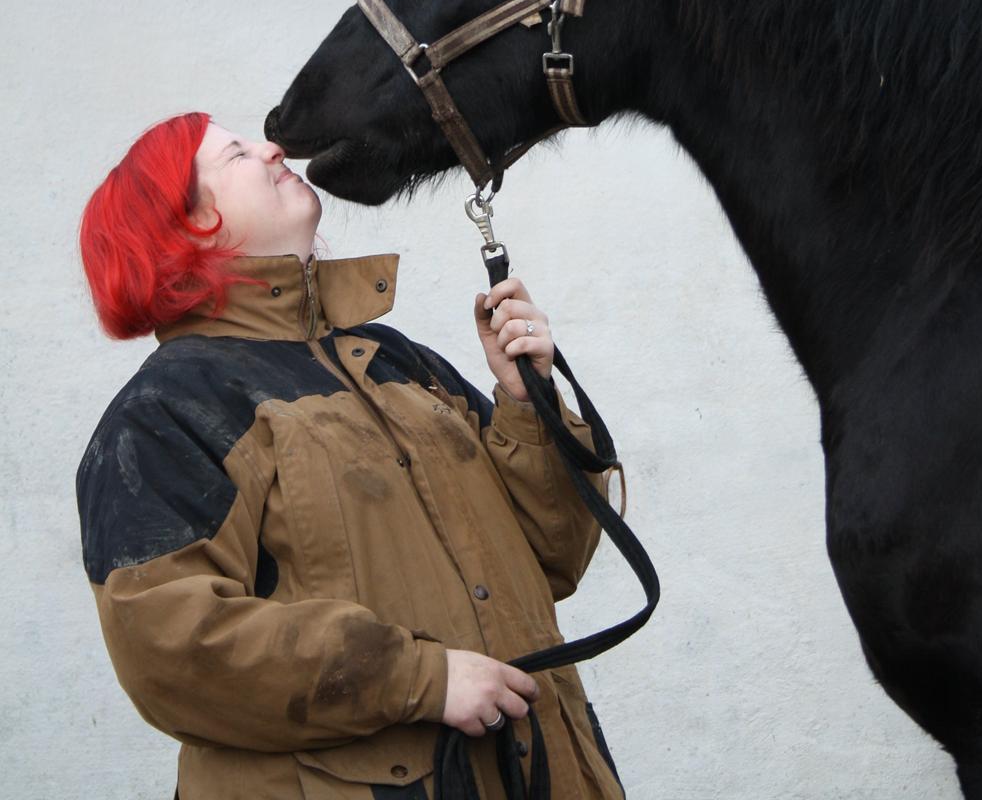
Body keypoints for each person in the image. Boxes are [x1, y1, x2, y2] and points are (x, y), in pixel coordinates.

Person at [77, 113, 624, 800]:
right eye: (237, 153)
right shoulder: (165, 412)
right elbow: (170, 648)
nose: (273, 147)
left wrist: (527, 404)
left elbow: (552, 559)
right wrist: (417, 680)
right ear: (187, 226)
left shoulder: (397, 362)